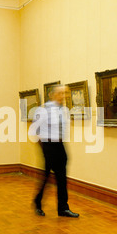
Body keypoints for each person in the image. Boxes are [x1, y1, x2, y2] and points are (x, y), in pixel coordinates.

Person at [31, 86, 79, 218]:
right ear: (52, 95)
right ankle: (37, 202)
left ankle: (63, 208)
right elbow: (34, 130)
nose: (64, 96)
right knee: (46, 178)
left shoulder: (63, 110)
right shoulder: (43, 110)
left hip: (60, 145)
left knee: (62, 178)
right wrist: (44, 148)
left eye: (65, 93)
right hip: (48, 146)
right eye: (61, 93)